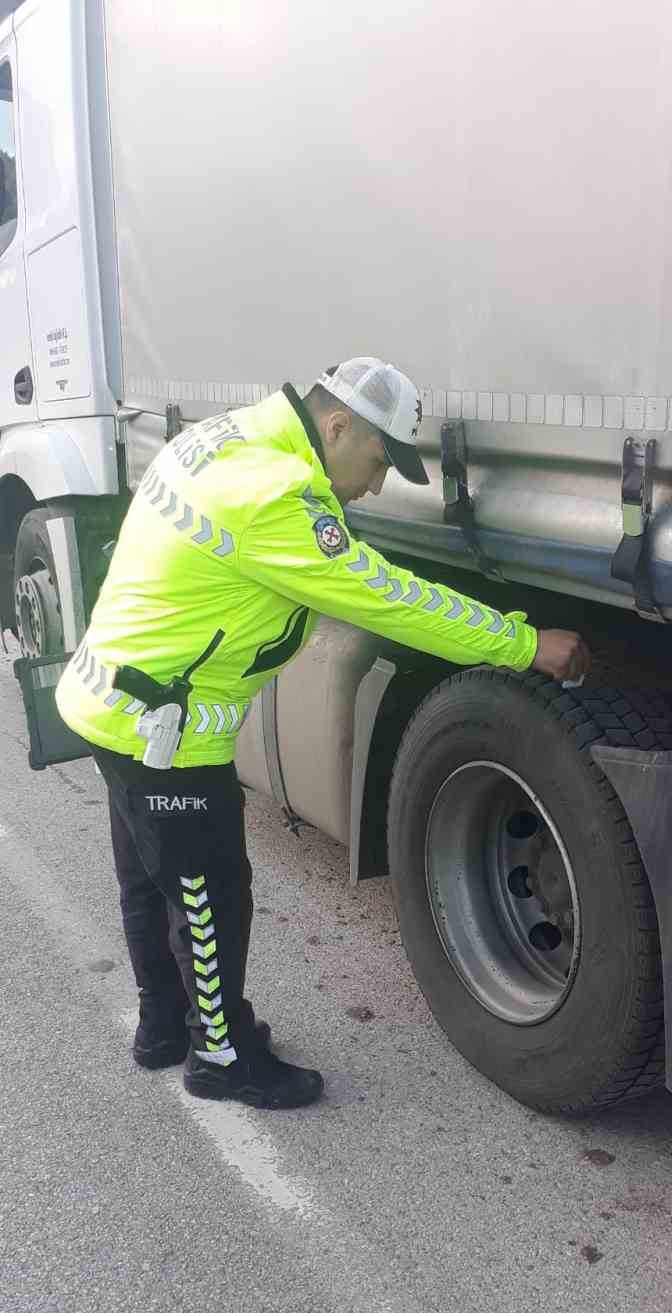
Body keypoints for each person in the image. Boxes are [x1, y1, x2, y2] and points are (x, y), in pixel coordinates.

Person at [56, 358, 591, 1110]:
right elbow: (390, 597)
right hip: (162, 732)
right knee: (209, 896)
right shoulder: (274, 496)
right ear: (336, 425)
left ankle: (162, 1027)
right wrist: (523, 642)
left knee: (150, 880)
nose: (373, 487)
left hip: (112, 703)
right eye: (376, 462)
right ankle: (220, 1055)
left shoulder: (221, 439)